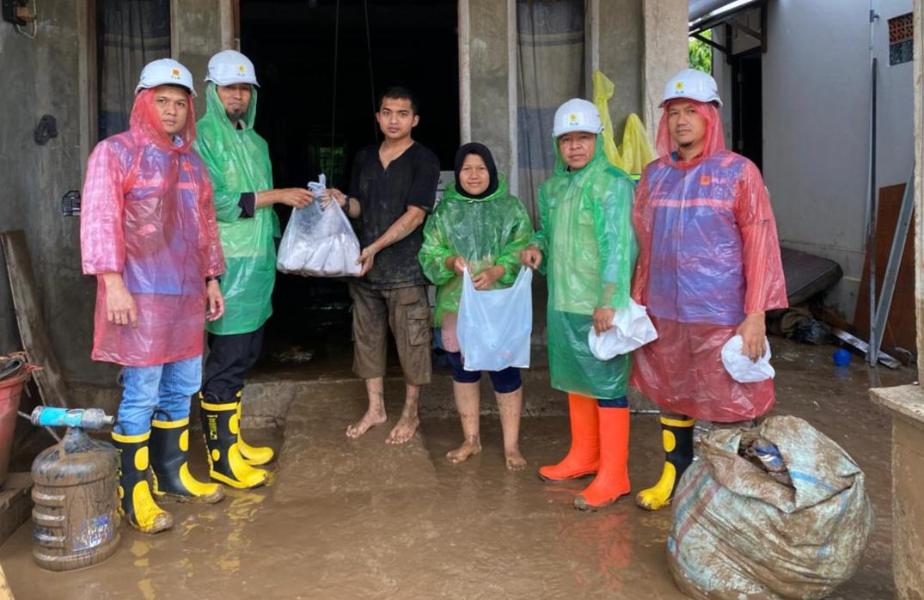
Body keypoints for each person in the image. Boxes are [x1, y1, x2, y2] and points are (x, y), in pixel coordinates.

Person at [630, 68, 787, 511]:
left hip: (721, 314)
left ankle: (727, 493)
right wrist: (638, 301)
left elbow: (760, 246)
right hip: (665, 310)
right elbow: (645, 242)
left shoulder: (739, 173)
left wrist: (755, 314)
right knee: (672, 393)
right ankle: (673, 475)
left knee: (727, 403)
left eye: (691, 112)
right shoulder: (654, 176)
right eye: (673, 113)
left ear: (710, 117)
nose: (681, 121)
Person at [80, 59, 226, 534]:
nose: (170, 111)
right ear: (143, 102)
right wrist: (112, 280)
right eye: (161, 100)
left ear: (190, 110)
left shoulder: (192, 162)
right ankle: (134, 488)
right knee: (141, 392)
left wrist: (211, 279)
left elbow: (205, 226)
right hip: (138, 292)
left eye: (179, 103)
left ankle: (172, 472)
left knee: (183, 384)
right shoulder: (115, 153)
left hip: (184, 295)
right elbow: (100, 218)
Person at [194, 49, 312, 489]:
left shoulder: (258, 143)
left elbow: (262, 208)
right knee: (226, 359)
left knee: (244, 356)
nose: (237, 96)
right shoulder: (202, 137)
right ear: (212, 91)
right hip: (225, 264)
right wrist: (278, 195)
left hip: (257, 264)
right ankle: (221, 459)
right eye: (229, 88)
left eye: (244, 88)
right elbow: (217, 203)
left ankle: (234, 441)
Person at [520, 99, 637, 510]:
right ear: (557, 145)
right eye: (566, 140)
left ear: (597, 140)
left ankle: (615, 473)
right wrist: (536, 247)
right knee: (576, 379)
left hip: (598, 305)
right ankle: (584, 456)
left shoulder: (613, 184)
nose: (574, 147)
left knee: (607, 384)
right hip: (563, 301)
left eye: (583, 138)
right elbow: (547, 233)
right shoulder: (552, 188)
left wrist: (610, 301)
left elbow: (619, 247)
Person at [326, 87, 440, 445]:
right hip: (364, 270)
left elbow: (416, 215)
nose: (394, 120)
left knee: (412, 343)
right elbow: (362, 207)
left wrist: (374, 246)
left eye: (402, 114)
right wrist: (343, 202)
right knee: (367, 340)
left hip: (405, 270)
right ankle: (376, 408)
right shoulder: (364, 157)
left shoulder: (424, 159)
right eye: (387, 112)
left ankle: (411, 413)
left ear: (414, 120)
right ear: (377, 117)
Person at [418, 143, 533, 470]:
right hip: (457, 306)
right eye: (466, 169)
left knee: (505, 371)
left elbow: (522, 245)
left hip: (499, 308)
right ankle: (472, 439)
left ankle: (511, 445)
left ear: (492, 171)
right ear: (458, 173)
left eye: (480, 168)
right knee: (463, 370)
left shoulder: (510, 208)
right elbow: (429, 252)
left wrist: (498, 270)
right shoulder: (445, 211)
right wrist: (450, 261)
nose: (473, 175)